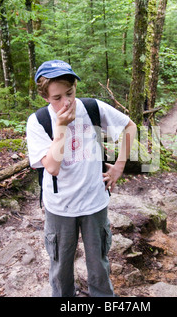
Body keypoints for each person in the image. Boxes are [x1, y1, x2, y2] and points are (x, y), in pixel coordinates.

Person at [26, 60, 136, 297]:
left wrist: (119, 166)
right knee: (61, 265)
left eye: (70, 93)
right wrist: (62, 127)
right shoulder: (38, 122)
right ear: (45, 97)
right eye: (57, 98)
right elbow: (52, 167)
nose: (66, 102)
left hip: (94, 202)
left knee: (98, 264)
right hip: (59, 206)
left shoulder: (93, 108)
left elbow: (130, 126)